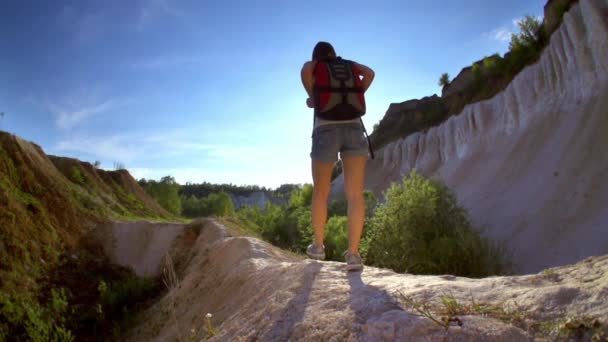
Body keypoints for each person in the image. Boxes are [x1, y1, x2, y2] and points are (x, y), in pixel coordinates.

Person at [300, 41, 375, 271]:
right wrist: (357, 91)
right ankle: (353, 255)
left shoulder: (315, 68)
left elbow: (305, 69)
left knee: (321, 191)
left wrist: (312, 95)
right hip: (354, 127)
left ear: (317, 57)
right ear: (334, 54)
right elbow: (370, 73)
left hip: (325, 130)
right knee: (355, 195)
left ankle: (318, 247)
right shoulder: (349, 66)